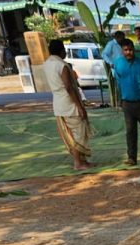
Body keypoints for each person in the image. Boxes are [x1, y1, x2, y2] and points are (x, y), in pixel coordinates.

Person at [44, 39, 94, 170]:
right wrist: (79, 106)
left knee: (71, 133)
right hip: (68, 103)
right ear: (61, 50)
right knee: (78, 133)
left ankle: (81, 160)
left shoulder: (47, 64)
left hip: (58, 103)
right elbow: (69, 87)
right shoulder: (62, 65)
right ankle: (78, 162)